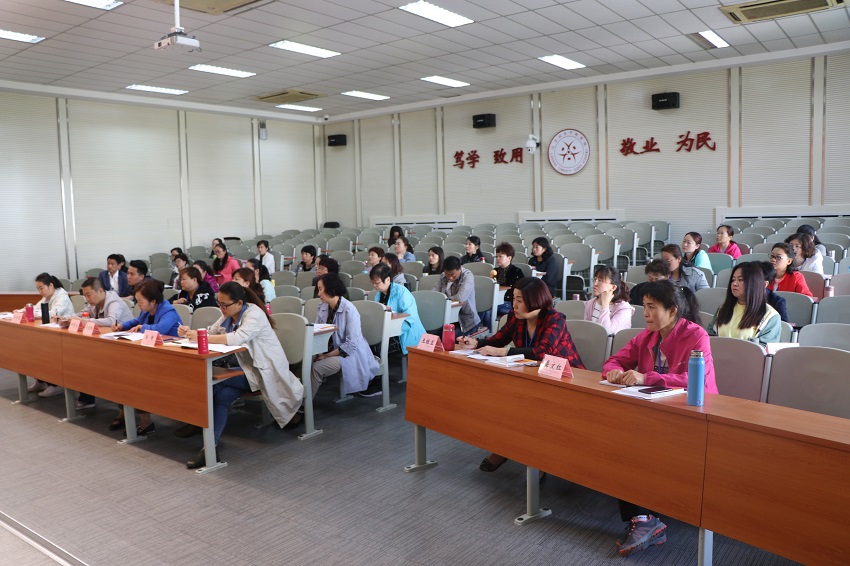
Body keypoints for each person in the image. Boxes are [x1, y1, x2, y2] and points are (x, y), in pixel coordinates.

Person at [602, 279, 717, 556]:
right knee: (619, 435)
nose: (645, 314)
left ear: (673, 310)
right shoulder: (647, 336)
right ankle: (643, 518)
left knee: (632, 443)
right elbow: (613, 361)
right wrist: (613, 372)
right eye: (644, 306)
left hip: (696, 416)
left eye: (652, 307)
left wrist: (649, 377)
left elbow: (697, 381)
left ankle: (644, 516)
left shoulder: (696, 335)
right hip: (654, 413)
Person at [457, 277, 585, 472]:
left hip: (564, 379)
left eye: (519, 300)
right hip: (533, 375)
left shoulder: (554, 318)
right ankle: (505, 448)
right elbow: (498, 340)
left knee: (529, 407)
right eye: (513, 299)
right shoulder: (515, 317)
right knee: (505, 400)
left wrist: (505, 352)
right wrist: (476, 343)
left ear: (535, 300)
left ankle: (537, 459)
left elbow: (544, 351)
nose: (514, 305)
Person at [177, 282, 304, 469]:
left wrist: (201, 338)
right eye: (219, 304)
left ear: (239, 303)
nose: (221, 308)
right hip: (245, 369)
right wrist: (191, 333)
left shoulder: (254, 314)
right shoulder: (228, 313)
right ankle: (210, 449)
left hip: (263, 370)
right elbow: (211, 331)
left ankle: (198, 423)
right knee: (221, 396)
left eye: (224, 305)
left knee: (214, 385)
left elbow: (237, 338)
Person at [111, 279, 182, 435]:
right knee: (124, 373)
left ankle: (145, 421)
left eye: (140, 301)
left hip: (172, 356)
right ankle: (125, 413)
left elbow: (161, 329)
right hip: (151, 353)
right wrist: (122, 326)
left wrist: (142, 327)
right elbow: (136, 321)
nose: (138, 304)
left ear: (153, 301)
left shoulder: (169, 311)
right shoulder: (147, 309)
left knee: (137, 378)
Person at [311, 273, 380, 399]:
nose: (318, 293)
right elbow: (318, 332)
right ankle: (297, 401)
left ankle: (304, 406)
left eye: (321, 289)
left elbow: (351, 345)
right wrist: (318, 353)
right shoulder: (323, 307)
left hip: (348, 354)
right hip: (329, 350)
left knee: (317, 368)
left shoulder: (349, 309)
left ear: (332, 289)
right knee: (304, 361)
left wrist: (325, 356)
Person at [75, 278, 134, 411]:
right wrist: (69, 317)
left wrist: (85, 321)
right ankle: (87, 397)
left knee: (90, 361)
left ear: (100, 291)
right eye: (85, 296)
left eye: (89, 295)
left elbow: (110, 321)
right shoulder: (95, 302)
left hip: (123, 344)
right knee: (82, 358)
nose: (87, 299)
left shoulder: (113, 301)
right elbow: (83, 314)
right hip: (106, 342)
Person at [707, 262, 781, 346]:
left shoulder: (770, 316)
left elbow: (764, 349)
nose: (734, 284)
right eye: (733, 280)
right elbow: (709, 337)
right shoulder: (723, 309)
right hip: (719, 354)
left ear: (755, 283)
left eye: (740, 280)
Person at [26, 274, 76, 397]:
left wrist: (32, 313)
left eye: (41, 288)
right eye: (38, 289)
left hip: (65, 336)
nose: (40, 291)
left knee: (48, 354)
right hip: (50, 332)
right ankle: (41, 381)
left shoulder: (62, 297)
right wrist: (23, 311)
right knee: (36, 350)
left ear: (51, 285)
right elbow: (35, 308)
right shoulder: (46, 297)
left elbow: (52, 313)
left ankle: (56, 385)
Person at [370, 263, 425, 355]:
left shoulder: (401, 292)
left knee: (375, 348)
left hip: (405, 335)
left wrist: (387, 331)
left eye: (377, 282)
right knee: (367, 344)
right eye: (372, 282)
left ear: (387, 280)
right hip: (388, 332)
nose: (374, 285)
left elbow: (410, 318)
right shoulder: (378, 295)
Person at [433, 256, 479, 336]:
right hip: (447, 318)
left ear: (460, 268)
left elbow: (461, 297)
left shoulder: (467, 275)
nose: (450, 277)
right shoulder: (443, 276)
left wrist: (444, 299)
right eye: (447, 274)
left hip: (466, 321)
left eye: (453, 275)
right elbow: (434, 293)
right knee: (431, 334)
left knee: (448, 337)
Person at [584, 265, 634, 333]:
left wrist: (605, 305)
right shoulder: (590, 304)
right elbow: (586, 331)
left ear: (613, 287)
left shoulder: (624, 309)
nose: (595, 283)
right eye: (595, 279)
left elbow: (607, 333)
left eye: (600, 280)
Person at [493, 242, 524, 316]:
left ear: (509, 258)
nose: (497, 259)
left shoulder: (516, 271)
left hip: (509, 301)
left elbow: (520, 290)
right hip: (495, 299)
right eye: (496, 256)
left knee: (490, 308)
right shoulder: (494, 271)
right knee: (486, 308)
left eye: (500, 256)